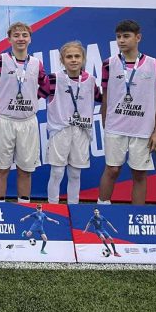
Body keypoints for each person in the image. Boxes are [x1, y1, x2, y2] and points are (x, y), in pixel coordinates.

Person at [98, 19, 156, 205]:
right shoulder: (108, 64)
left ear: (138, 37)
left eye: (126, 36)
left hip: (142, 129)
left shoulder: (154, 64)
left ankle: (137, 216)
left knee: (139, 173)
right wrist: (106, 123)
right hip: (115, 127)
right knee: (111, 170)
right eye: (118, 37)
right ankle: (101, 210)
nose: (121, 40)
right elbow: (105, 97)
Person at [0, 21, 49, 203]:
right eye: (16, 35)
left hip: (27, 121)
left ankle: (25, 207)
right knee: (2, 168)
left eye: (24, 35)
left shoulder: (37, 63)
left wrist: (30, 101)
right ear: (9, 39)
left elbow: (45, 86)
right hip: (4, 120)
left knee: (26, 169)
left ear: (30, 39)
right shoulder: (0, 60)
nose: (20, 39)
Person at [45, 41, 102, 204]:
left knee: (75, 173)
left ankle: (73, 207)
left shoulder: (90, 80)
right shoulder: (54, 79)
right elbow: (35, 93)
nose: (73, 60)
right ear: (62, 60)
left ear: (83, 59)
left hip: (82, 131)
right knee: (57, 172)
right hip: (60, 130)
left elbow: (101, 98)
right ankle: (53, 206)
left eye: (77, 56)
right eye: (69, 57)